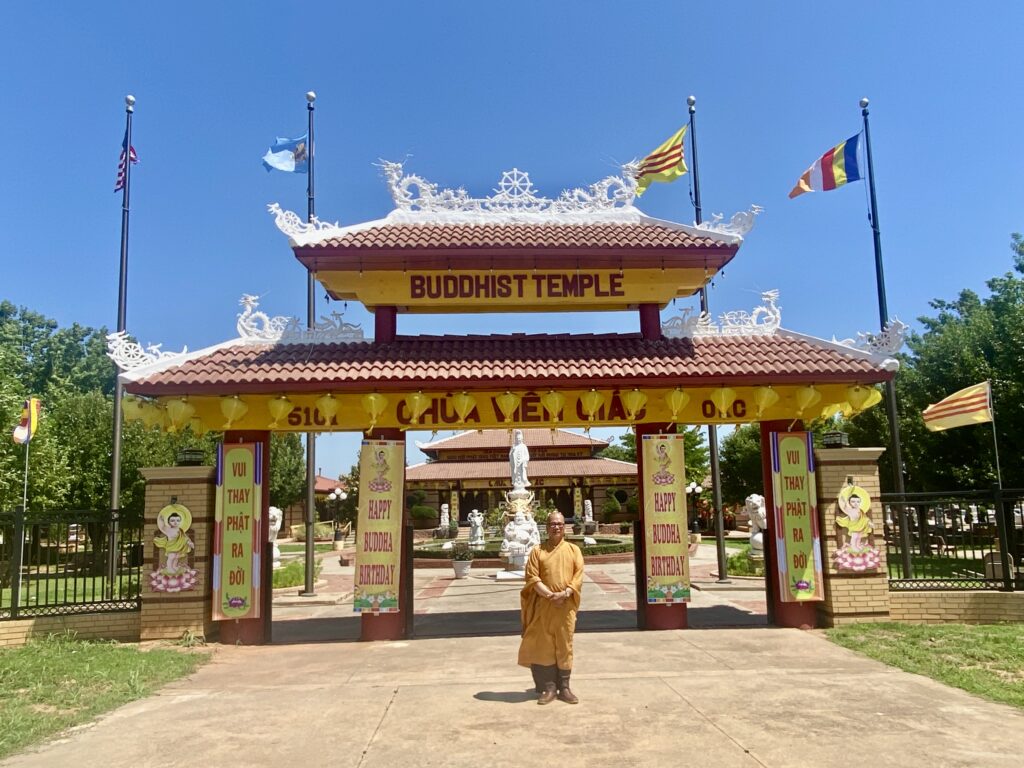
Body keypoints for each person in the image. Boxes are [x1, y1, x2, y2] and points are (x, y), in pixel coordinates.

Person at [518, 512, 584, 705]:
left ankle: (565, 688)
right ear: (546, 527)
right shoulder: (537, 551)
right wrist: (549, 595)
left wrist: (565, 593)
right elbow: (532, 578)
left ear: (565, 527)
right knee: (544, 646)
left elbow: (578, 576)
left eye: (560, 524)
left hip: (565, 607)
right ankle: (548, 688)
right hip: (544, 606)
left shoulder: (573, 550)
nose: (557, 527)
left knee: (565, 645)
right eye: (553, 524)